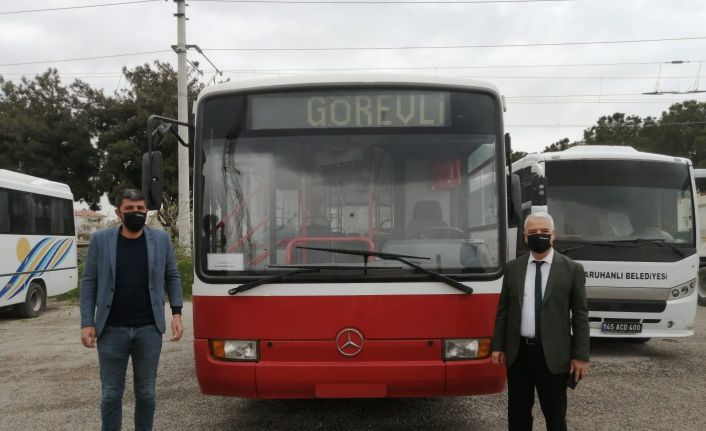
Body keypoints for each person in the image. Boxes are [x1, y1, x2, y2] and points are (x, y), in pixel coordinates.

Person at [79, 188, 183, 431]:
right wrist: (87, 322)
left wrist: (176, 313)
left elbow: (172, 276)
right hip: (111, 329)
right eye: (129, 209)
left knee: (146, 393)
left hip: (149, 329)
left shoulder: (161, 240)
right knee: (110, 395)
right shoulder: (101, 240)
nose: (136, 213)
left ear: (146, 210)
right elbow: (89, 281)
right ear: (118, 212)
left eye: (140, 209)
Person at [491, 211, 589, 431]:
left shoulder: (572, 269)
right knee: (518, 415)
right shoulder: (513, 268)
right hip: (519, 354)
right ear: (525, 237)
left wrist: (581, 356)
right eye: (533, 232)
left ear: (553, 235)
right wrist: (498, 345)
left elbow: (580, 316)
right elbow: (503, 310)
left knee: (555, 416)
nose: (539, 235)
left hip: (553, 355)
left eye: (544, 231)